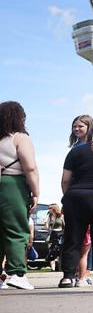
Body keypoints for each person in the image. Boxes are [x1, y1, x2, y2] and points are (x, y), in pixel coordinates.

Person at [60, 114, 93, 289]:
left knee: (73, 237)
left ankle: (67, 277)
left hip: (78, 196)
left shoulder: (75, 151)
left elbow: (65, 179)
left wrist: (67, 198)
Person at [0, 102, 39, 292]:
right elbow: (29, 167)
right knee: (16, 230)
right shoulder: (20, 138)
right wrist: (36, 192)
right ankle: (17, 274)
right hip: (13, 185)